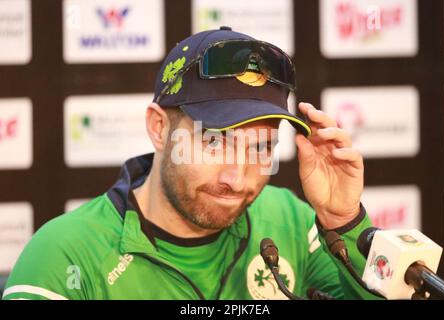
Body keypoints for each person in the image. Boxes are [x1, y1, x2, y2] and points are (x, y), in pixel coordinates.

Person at [3, 27, 379, 300]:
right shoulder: (64, 254)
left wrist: (343, 222)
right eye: (215, 142)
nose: (238, 178)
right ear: (158, 127)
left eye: (261, 148)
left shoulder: (292, 221)